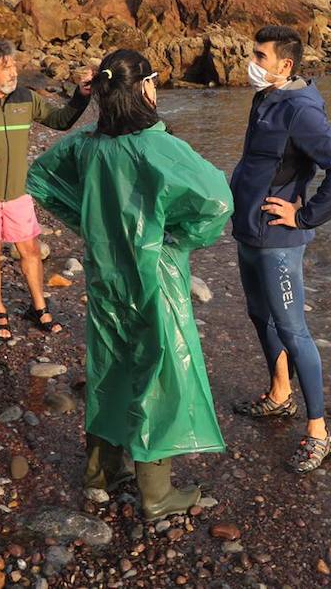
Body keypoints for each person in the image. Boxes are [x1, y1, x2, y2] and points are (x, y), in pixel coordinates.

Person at [27, 49, 231, 520]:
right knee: (157, 369)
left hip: (105, 274)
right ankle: (155, 493)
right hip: (153, 274)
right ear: (144, 88)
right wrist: (177, 237)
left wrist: (89, 225)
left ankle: (101, 471)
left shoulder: (87, 146)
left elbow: (40, 178)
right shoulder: (156, 146)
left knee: (110, 364)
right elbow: (217, 200)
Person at [229, 25, 331, 473]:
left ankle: (319, 432)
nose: (252, 63)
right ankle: (280, 394)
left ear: (285, 65)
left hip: (278, 242)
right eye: (254, 53)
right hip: (249, 232)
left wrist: (305, 216)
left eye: (260, 57)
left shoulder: (302, 111)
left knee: (293, 330)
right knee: (258, 316)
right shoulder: (265, 98)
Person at [0, 38, 92, 340]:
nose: (13, 72)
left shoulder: (24, 97)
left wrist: (81, 97)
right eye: (5, 67)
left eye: (13, 65)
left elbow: (60, 120)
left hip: (17, 193)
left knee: (31, 250)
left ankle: (38, 307)